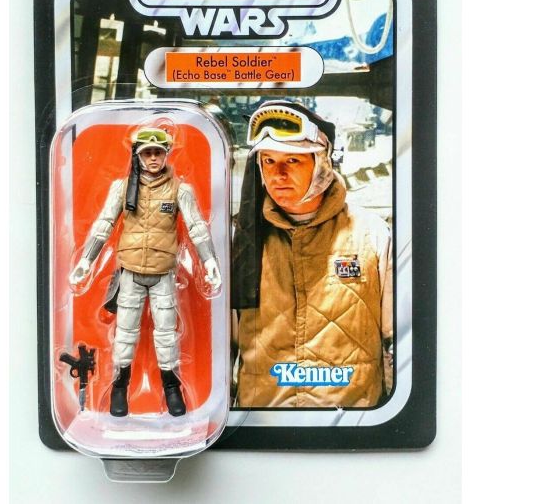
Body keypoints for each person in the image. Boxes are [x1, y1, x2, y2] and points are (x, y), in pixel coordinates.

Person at [232, 101, 393, 408]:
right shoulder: (242, 239)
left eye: (292, 160)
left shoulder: (371, 234)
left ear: (322, 164)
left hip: (349, 423)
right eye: (268, 161)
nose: (278, 174)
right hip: (264, 421)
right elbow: (223, 345)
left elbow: (394, 338)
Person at [69, 126, 221, 417]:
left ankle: (171, 387)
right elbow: (104, 224)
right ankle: (120, 386)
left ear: (166, 155)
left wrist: (209, 260)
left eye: (158, 152)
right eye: (147, 153)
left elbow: (197, 227)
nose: (153, 158)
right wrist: (86, 260)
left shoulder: (179, 190)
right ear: (138, 156)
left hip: (163, 274)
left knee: (166, 335)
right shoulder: (122, 187)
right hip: (131, 272)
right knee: (125, 334)